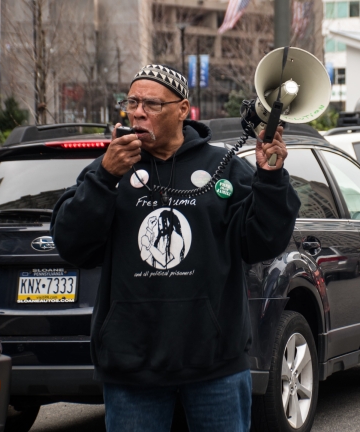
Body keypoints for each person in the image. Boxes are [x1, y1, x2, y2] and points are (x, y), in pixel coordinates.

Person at [51, 64, 300, 431]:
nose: (137, 111)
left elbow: (264, 241)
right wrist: (104, 177)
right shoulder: (112, 168)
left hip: (215, 365)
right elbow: (71, 244)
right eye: (131, 102)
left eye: (150, 104)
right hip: (132, 367)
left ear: (182, 110)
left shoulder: (222, 168)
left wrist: (271, 177)